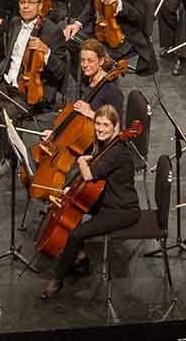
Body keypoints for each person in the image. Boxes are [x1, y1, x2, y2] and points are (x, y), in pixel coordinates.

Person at [40, 102, 149, 298]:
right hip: (107, 199)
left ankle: (57, 279)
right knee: (73, 208)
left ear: (116, 127)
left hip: (121, 210)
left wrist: (82, 160)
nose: (100, 129)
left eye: (106, 125)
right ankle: (79, 258)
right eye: (98, 123)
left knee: (76, 234)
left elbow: (89, 175)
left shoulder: (117, 151)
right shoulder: (108, 144)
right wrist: (72, 189)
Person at [0, 0, 67, 111]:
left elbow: (61, 71)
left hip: (31, 92)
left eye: (30, 2)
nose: (25, 6)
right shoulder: (15, 23)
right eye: (22, 2)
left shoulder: (53, 32)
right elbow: (10, 58)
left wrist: (46, 51)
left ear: (40, 6)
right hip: (6, 84)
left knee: (5, 115)